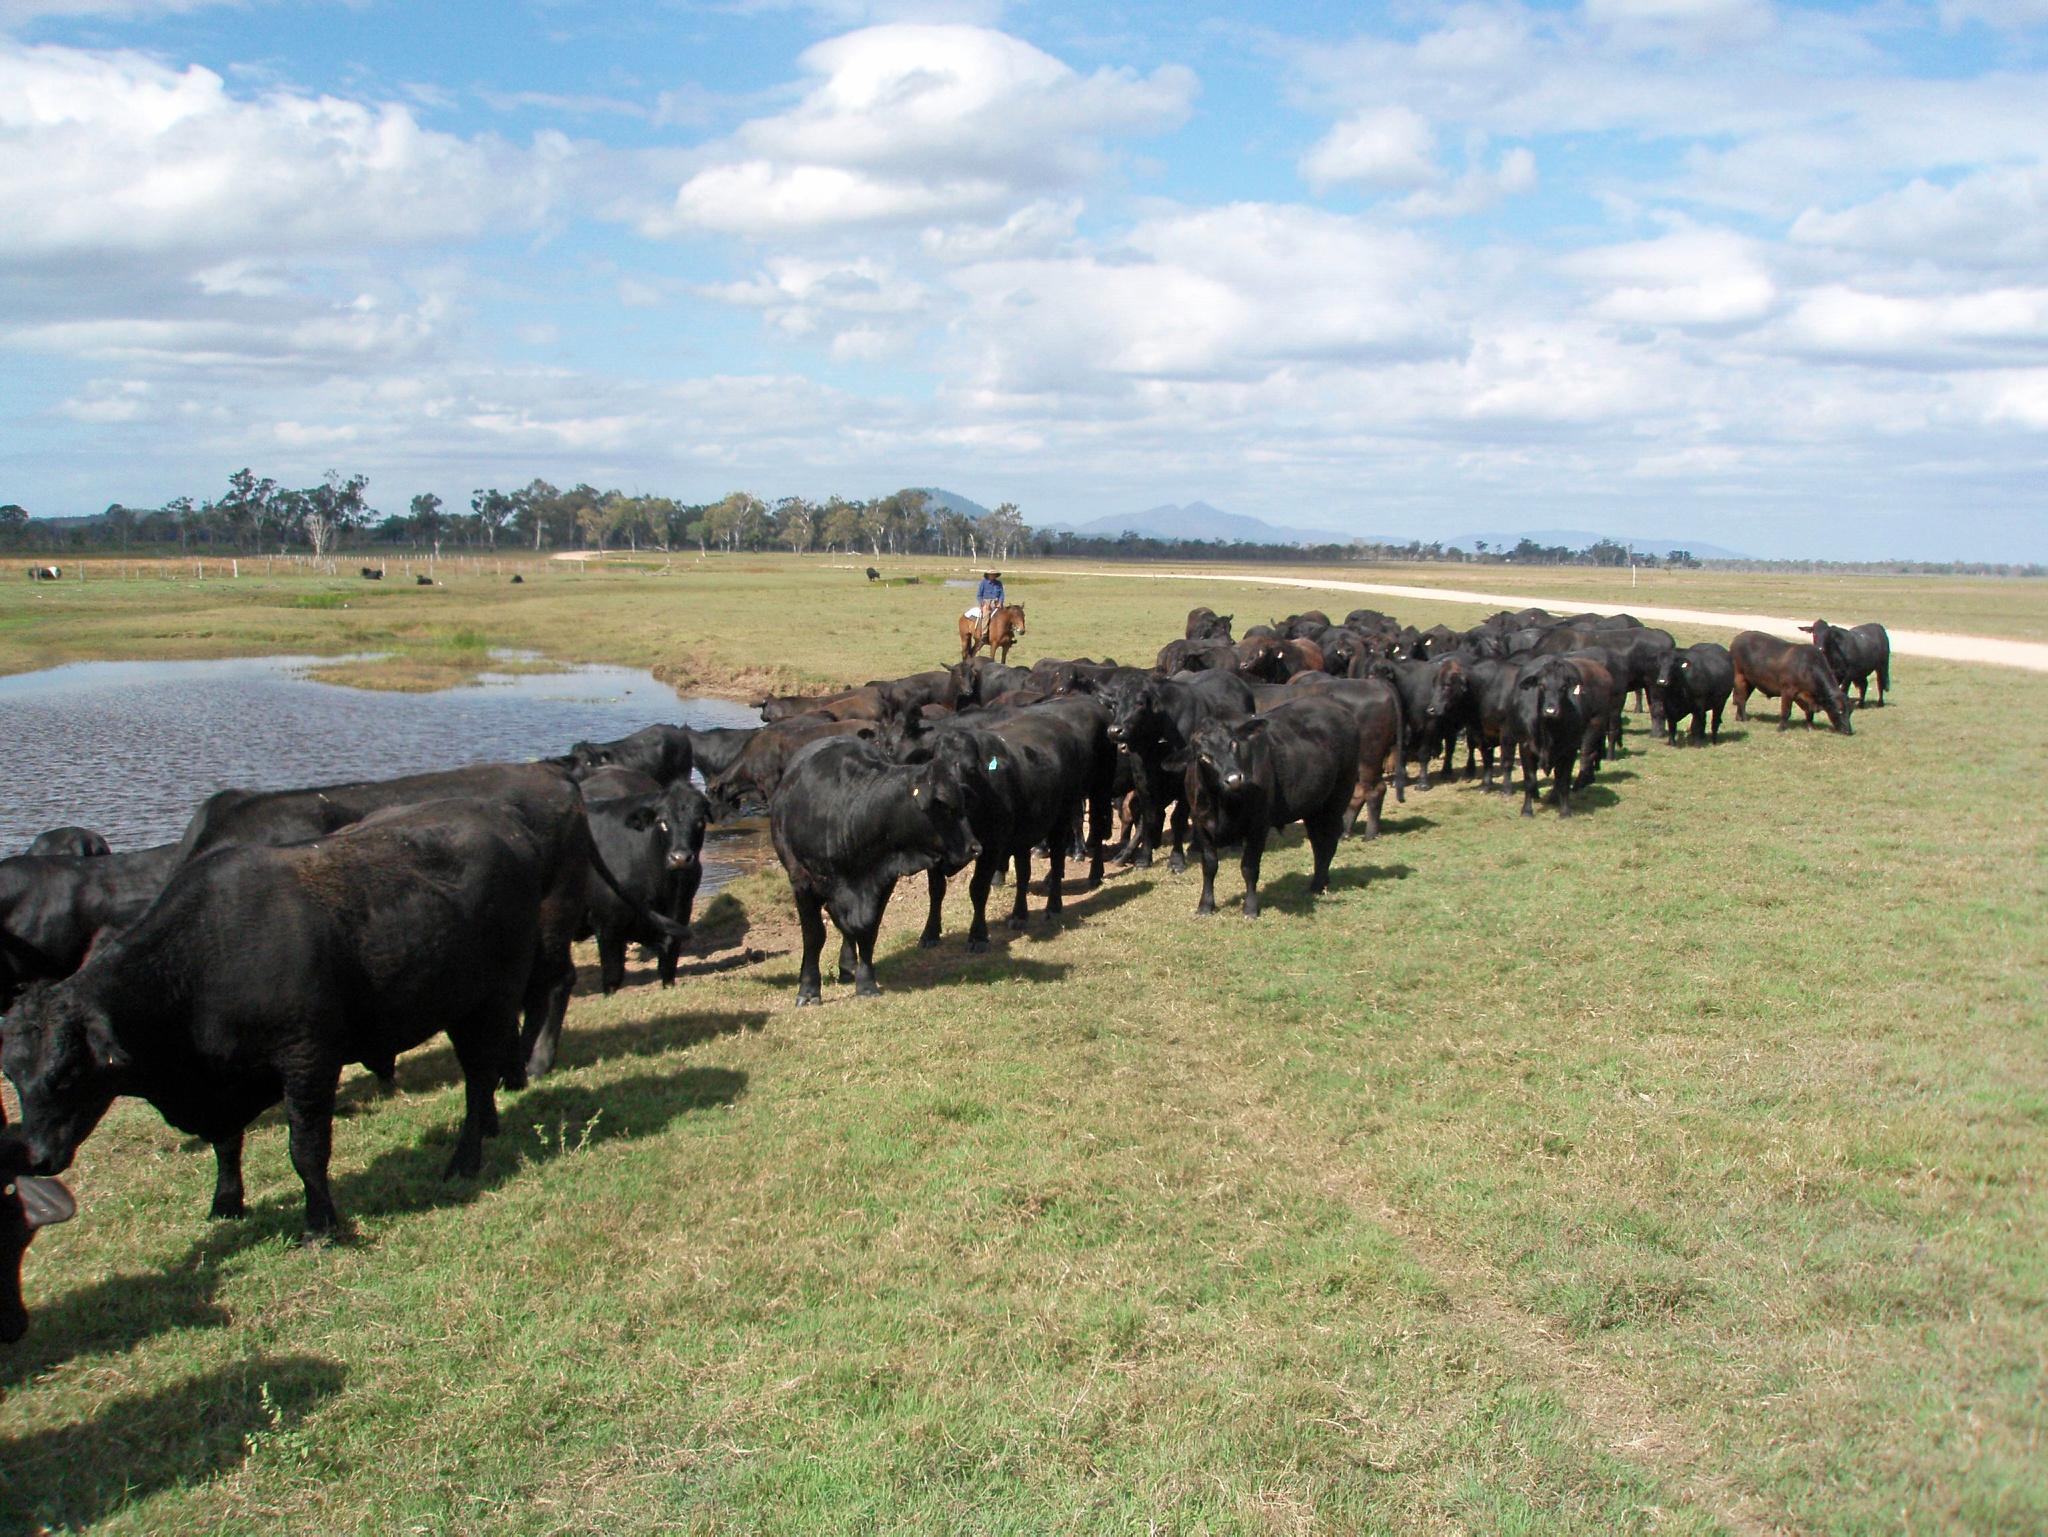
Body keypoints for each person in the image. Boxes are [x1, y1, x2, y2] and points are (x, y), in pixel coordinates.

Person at [974, 570, 1004, 644]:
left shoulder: (999, 583)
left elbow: (1002, 595)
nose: (992, 576)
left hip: (997, 603)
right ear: (988, 575)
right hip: (986, 603)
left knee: (1006, 615)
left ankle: (1007, 634)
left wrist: (1000, 602)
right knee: (986, 615)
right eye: (991, 574)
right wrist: (983, 603)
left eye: (994, 574)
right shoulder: (983, 583)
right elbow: (979, 595)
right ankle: (984, 634)